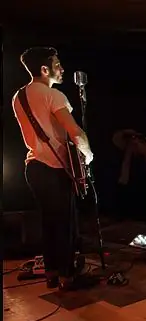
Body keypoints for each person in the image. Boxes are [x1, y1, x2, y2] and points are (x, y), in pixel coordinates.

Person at [11, 46, 95, 290]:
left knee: (49, 223)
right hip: (54, 166)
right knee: (66, 224)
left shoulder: (19, 96)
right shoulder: (54, 96)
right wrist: (88, 156)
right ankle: (68, 278)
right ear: (44, 69)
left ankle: (51, 273)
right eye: (58, 65)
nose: (62, 69)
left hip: (34, 167)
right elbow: (75, 132)